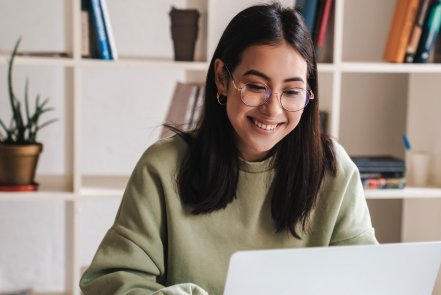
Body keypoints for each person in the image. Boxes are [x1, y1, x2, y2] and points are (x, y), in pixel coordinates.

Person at [80, 2, 377, 295]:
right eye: (256, 86)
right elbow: (109, 283)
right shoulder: (163, 167)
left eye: (291, 92)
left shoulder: (334, 171)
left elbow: (369, 282)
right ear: (223, 78)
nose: (272, 110)